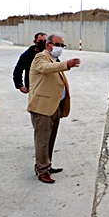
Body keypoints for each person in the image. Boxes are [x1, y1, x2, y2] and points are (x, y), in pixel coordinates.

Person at [27, 34, 80, 184]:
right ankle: (42, 170)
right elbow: (46, 69)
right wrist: (66, 64)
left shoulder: (53, 59)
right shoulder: (40, 57)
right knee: (42, 140)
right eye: (57, 44)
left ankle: (46, 165)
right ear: (48, 45)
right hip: (42, 107)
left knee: (50, 138)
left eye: (62, 45)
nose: (59, 48)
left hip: (54, 105)